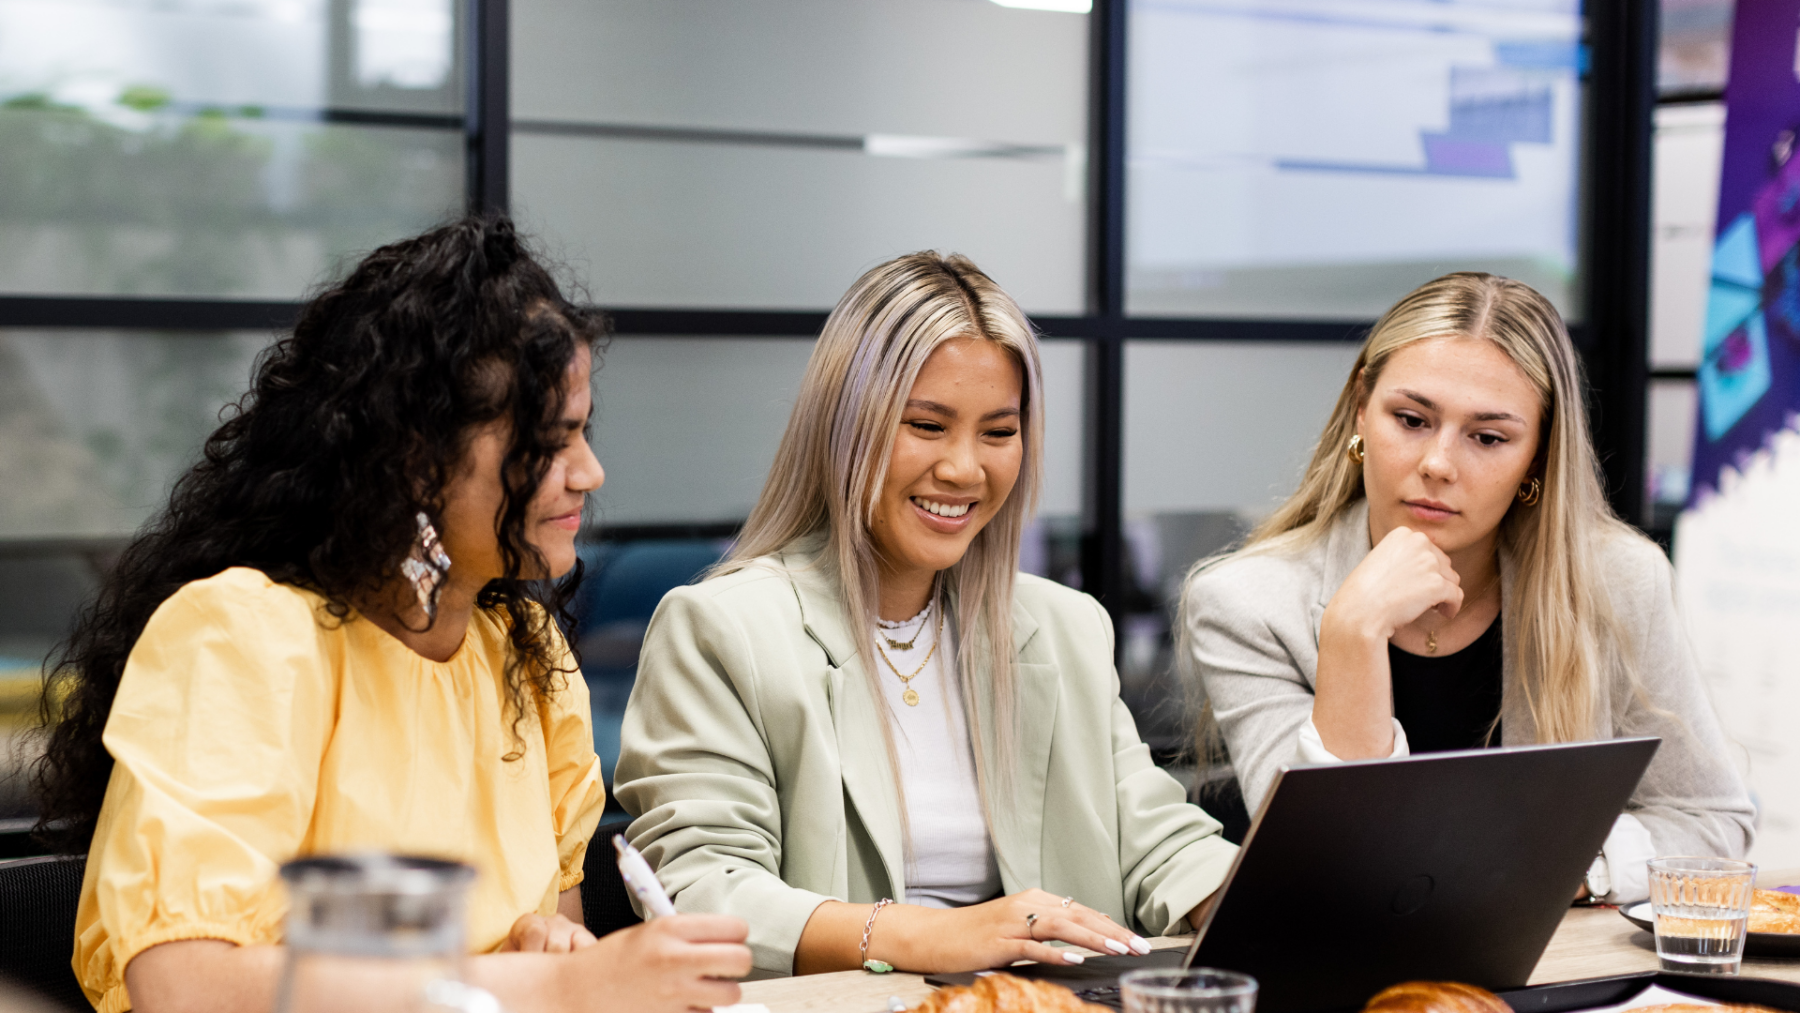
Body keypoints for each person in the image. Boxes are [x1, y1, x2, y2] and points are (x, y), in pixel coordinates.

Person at [31, 217, 751, 1013]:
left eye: (584, 432)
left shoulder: (525, 658)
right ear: (416, 460)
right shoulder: (243, 638)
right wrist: (544, 981)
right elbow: (183, 982)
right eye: (551, 441)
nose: (590, 471)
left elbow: (545, 956)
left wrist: (545, 950)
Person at [612, 251, 1237, 978]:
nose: (964, 468)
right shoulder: (722, 629)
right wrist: (929, 934)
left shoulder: (1064, 627)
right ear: (846, 426)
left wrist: (1261, 901)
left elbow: (1155, 837)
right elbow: (703, 891)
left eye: (999, 432)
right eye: (927, 425)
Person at [1181, 272, 1754, 905]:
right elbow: (1337, 869)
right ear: (1360, 411)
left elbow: (1714, 823)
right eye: (1411, 419)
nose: (1438, 464)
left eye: (1488, 437)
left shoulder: (1617, 580)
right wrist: (1353, 632)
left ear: (1537, 455)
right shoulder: (1246, 601)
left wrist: (1575, 867)